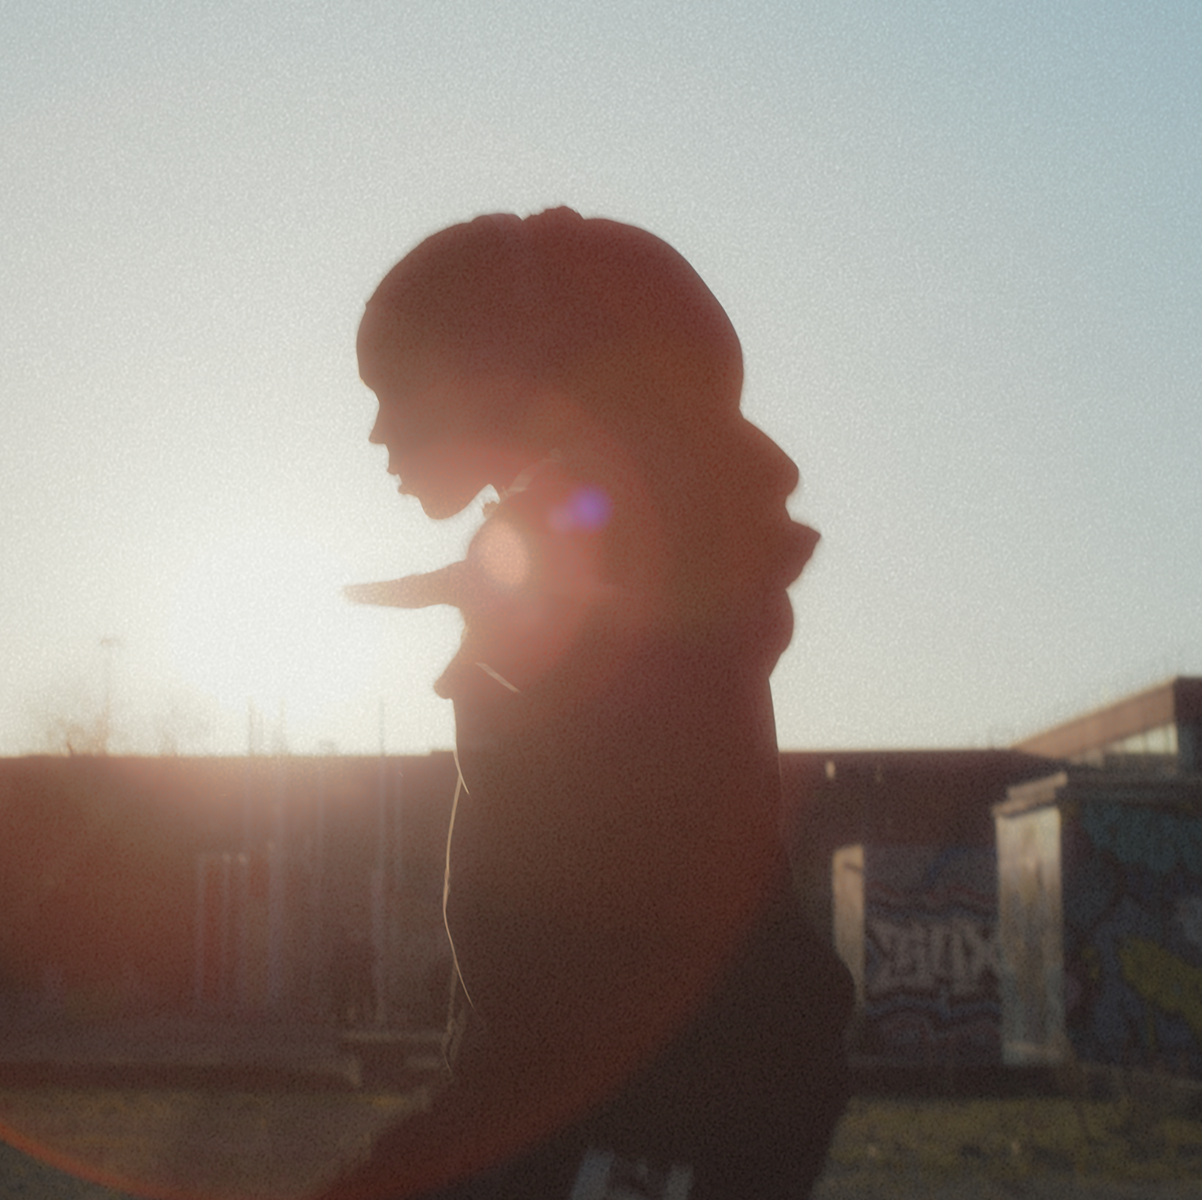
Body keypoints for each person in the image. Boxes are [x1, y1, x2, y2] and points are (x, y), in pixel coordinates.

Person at [323, 209, 852, 1200]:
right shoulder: (592, 558)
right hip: (623, 1096)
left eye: (396, 388)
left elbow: (608, 933)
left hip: (666, 1103)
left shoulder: (620, 564)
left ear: (493, 373)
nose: (379, 430)